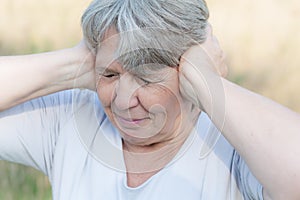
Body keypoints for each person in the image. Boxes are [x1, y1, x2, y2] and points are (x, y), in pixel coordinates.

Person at [0, 0, 300, 199]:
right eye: (110, 75)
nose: (122, 101)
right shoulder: (69, 118)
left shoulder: (233, 145)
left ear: (188, 70)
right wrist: (71, 65)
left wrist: (208, 83)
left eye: (146, 78)